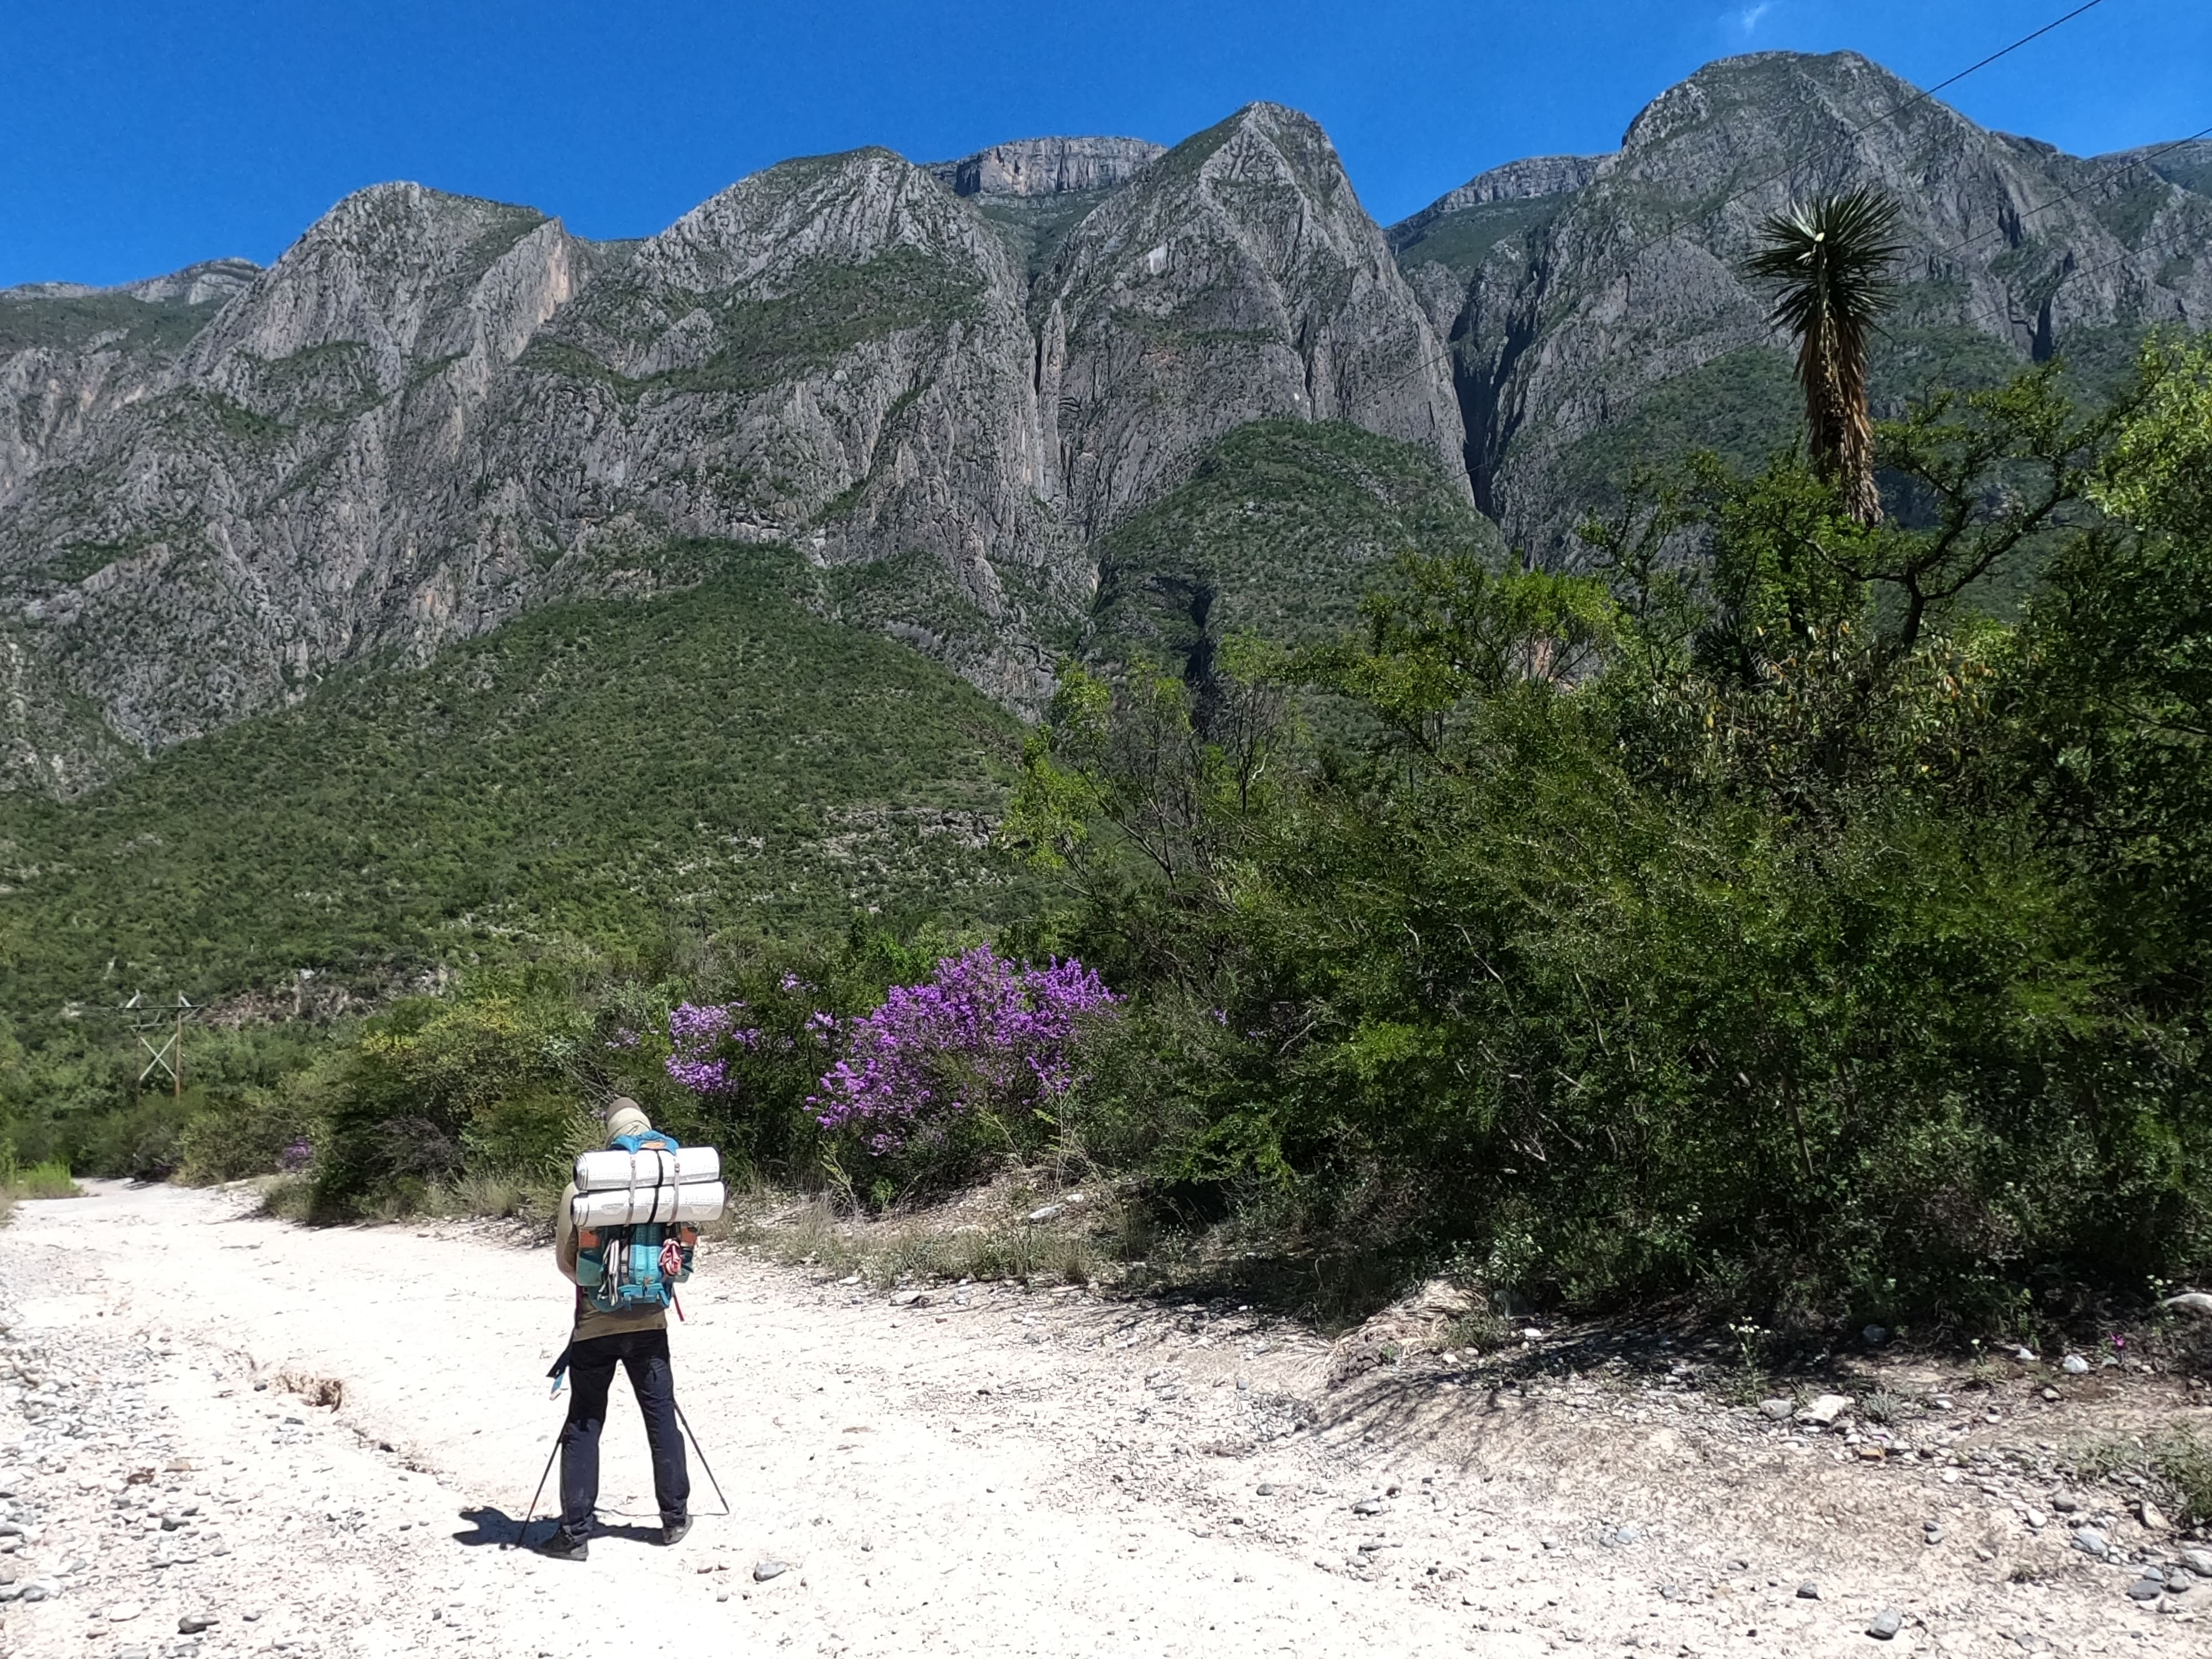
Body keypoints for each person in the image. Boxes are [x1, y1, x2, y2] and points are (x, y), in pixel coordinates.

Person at [539, 1098, 692, 1559]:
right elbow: (683, 1255)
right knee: (661, 1414)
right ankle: (674, 1519)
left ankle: (575, 1534)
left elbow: (569, 1263)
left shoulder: (584, 1186)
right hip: (651, 1323)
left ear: (609, 1133)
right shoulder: (674, 1185)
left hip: (595, 1328)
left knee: (585, 1422)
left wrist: (603, 1290)